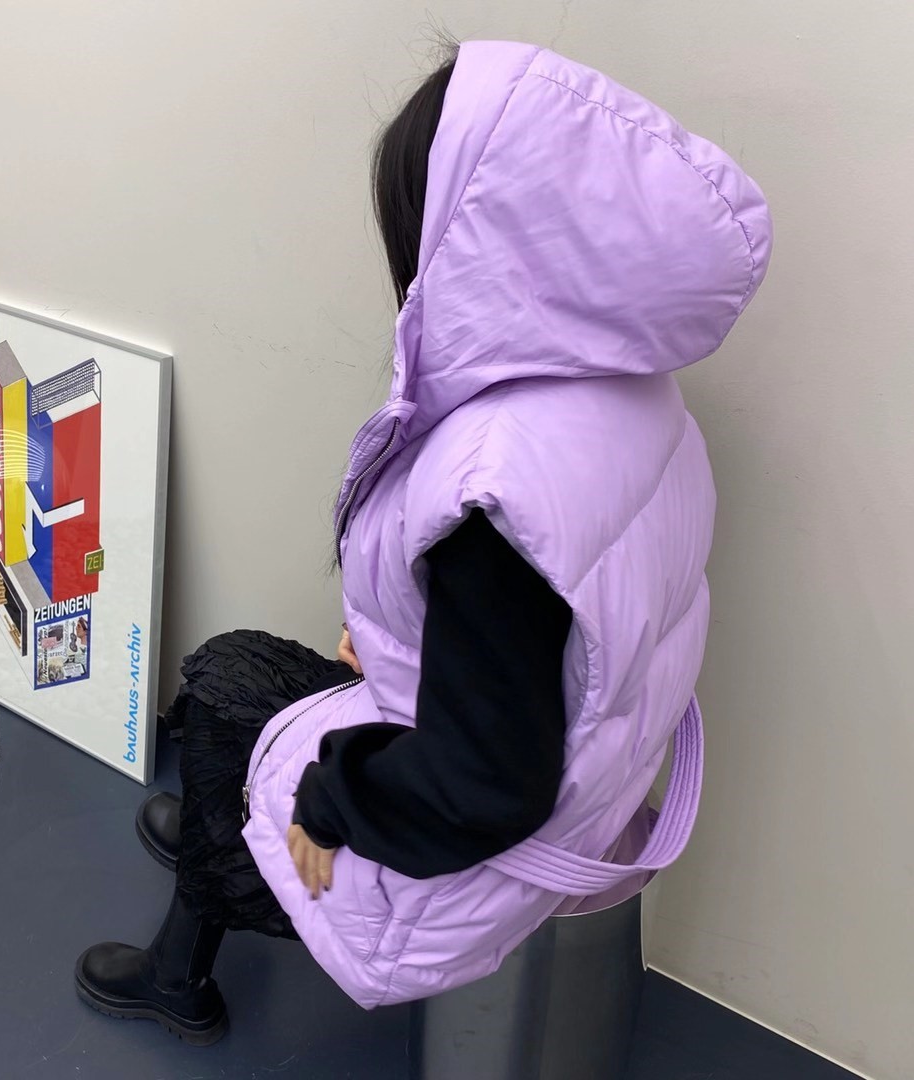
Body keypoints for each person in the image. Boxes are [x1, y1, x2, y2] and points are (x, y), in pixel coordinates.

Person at [75, 40, 770, 1044]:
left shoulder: (499, 486)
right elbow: (567, 647)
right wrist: (404, 650)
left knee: (225, 683)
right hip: (587, 779)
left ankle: (179, 965)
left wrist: (329, 799)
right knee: (253, 699)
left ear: (476, 237)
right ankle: (218, 827)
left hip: (468, 870)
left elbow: (480, 789)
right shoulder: (637, 401)